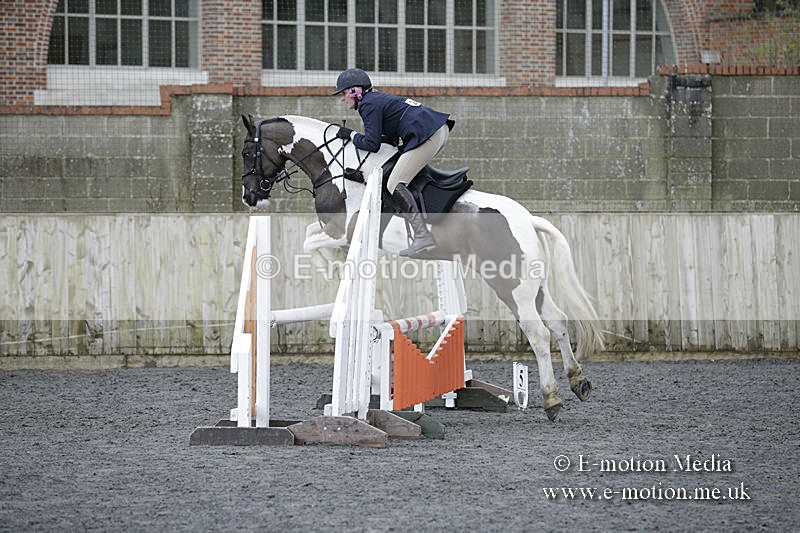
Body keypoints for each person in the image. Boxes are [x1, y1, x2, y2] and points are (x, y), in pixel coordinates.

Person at [332, 68, 453, 257]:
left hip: (429, 134)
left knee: (395, 183)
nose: (341, 98)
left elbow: (372, 144)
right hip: (435, 130)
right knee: (399, 175)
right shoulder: (375, 100)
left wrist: (351, 135)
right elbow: (388, 140)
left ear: (356, 91)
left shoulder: (368, 105)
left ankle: (422, 236)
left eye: (343, 93)